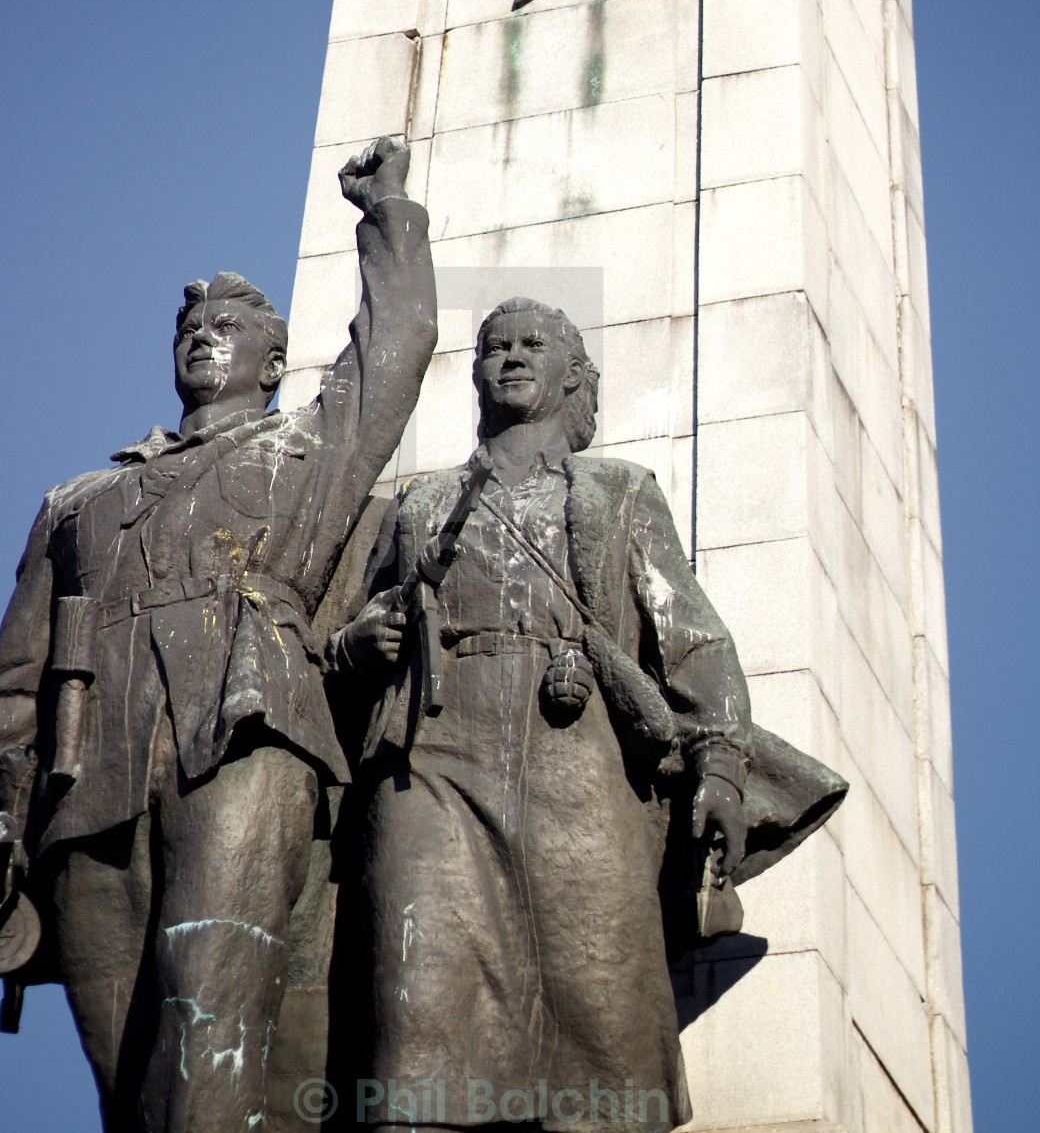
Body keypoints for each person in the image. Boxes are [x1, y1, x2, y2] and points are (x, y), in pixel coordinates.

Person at [0, 136, 436, 1133]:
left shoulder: (308, 451)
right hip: (90, 787)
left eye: (230, 327)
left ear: (274, 360)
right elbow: (7, 688)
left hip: (246, 741)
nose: (204, 338)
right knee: (127, 1079)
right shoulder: (81, 502)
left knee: (211, 1031)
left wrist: (387, 218)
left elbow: (396, 349)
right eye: (191, 329)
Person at [330, 297, 846, 1133]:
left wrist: (721, 762)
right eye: (495, 346)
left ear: (573, 373)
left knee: (600, 1013)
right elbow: (339, 644)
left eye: (533, 344)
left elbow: (696, 641)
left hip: (577, 765)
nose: (510, 356)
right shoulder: (419, 504)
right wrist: (363, 642)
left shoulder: (618, 491)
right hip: (434, 763)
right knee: (417, 1008)